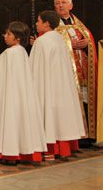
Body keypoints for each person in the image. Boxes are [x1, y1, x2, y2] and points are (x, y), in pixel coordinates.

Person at [30, 10, 85, 160]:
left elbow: (34, 68)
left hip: (46, 85)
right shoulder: (60, 39)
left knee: (48, 116)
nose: (36, 23)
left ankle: (49, 150)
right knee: (59, 118)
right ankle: (63, 149)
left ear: (46, 24)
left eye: (39, 21)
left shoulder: (42, 42)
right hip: (61, 86)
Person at [0, 21, 47, 164]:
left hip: (9, 96)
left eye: (9, 34)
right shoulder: (22, 52)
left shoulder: (10, 54)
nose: (5, 36)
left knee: (10, 120)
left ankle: (9, 153)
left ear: (18, 38)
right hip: (21, 96)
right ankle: (23, 151)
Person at [53, 0, 100, 144]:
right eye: (57, 3)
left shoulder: (80, 26)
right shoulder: (53, 26)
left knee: (85, 100)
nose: (60, 5)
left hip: (83, 71)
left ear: (71, 6)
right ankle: (75, 138)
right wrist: (69, 45)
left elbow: (90, 41)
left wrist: (88, 44)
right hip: (66, 72)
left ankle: (89, 136)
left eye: (63, 3)